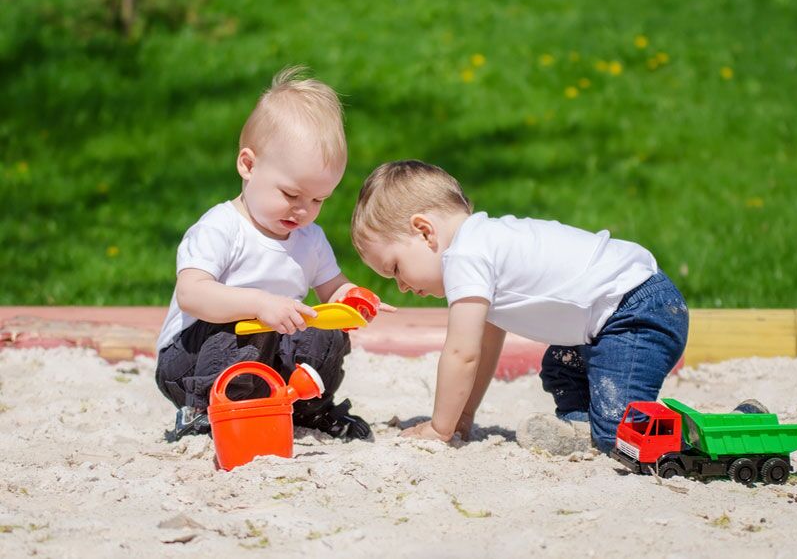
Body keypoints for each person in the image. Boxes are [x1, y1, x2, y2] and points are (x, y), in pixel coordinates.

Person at [349, 160, 690, 455]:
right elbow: (482, 348)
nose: (402, 286)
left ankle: (702, 437)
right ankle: (580, 427)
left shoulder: (465, 256)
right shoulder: (483, 244)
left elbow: (460, 354)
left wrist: (440, 428)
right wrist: (462, 417)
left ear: (424, 232)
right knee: (562, 368)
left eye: (395, 268)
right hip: (621, 312)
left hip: (636, 312)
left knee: (622, 433)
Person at [154, 66, 380, 442]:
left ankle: (308, 408)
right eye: (291, 194)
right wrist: (259, 304)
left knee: (325, 335)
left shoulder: (309, 238)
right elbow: (191, 294)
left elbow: (332, 289)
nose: (303, 209)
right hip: (194, 362)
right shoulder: (222, 228)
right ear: (248, 165)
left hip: (267, 355)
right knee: (236, 334)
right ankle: (201, 413)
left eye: (318, 199)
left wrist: (353, 300)